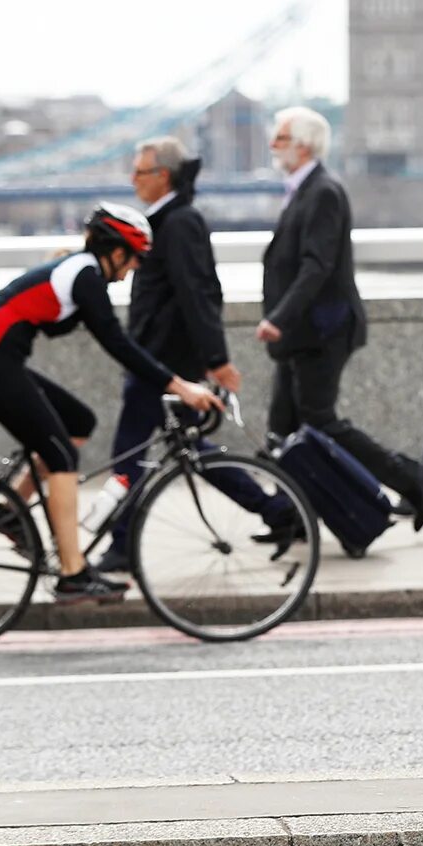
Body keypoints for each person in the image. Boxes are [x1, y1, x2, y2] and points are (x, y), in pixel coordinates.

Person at [0, 204, 221, 601]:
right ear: (115, 252)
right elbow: (117, 343)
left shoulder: (79, 271)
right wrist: (181, 387)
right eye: (133, 261)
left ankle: (8, 514)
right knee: (61, 456)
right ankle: (72, 573)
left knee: (78, 422)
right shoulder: (85, 276)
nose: (131, 271)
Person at [95, 137, 293, 575]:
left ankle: (123, 543)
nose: (133, 180)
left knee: (131, 452)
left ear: (162, 176)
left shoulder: (179, 222)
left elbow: (199, 293)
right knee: (192, 451)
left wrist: (216, 358)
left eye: (140, 172)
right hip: (162, 358)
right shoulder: (167, 220)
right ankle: (278, 512)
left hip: (160, 364)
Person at [259, 106, 423, 527]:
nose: (273, 145)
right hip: (302, 333)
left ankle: (410, 477)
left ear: (303, 146)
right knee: (283, 426)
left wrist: (279, 317)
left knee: (319, 421)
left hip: (322, 331)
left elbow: (315, 266)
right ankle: (290, 516)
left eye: (280, 138)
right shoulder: (304, 189)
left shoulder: (323, 192)